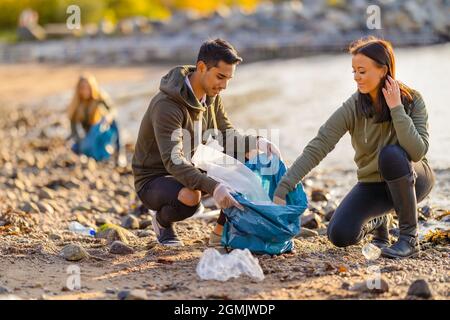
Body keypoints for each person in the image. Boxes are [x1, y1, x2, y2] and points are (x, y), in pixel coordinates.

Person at [273, 36, 435, 259]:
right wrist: (285, 185)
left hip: (414, 180)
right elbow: (320, 144)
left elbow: (418, 151)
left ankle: (409, 238)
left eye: (362, 71)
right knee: (339, 234)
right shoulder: (354, 106)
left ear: (382, 70)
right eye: (354, 71)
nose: (357, 77)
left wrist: (396, 109)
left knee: (391, 155)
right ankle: (380, 221)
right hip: (374, 185)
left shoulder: (412, 100)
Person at [132, 38, 280, 247]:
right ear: (202, 67)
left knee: (248, 161)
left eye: (229, 79)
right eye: (220, 77)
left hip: (191, 165)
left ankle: (220, 235)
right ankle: (162, 222)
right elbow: (174, 162)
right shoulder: (167, 106)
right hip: (154, 177)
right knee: (192, 197)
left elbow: (227, 135)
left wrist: (258, 143)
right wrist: (215, 186)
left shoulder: (211, 96)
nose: (224, 86)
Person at [67, 73, 126, 166]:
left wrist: (108, 117)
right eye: (83, 88)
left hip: (100, 131)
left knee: (114, 120)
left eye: (88, 87)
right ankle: (92, 154)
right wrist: (79, 140)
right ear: (79, 89)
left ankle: (119, 153)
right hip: (87, 137)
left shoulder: (98, 96)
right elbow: (73, 131)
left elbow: (113, 110)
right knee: (74, 147)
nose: (86, 90)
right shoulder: (76, 105)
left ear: (92, 87)